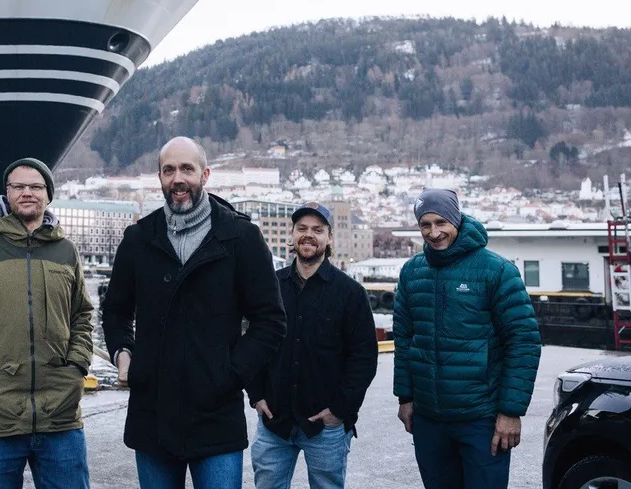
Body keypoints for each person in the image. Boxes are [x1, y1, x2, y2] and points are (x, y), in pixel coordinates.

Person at [102, 136, 286, 489]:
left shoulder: (241, 238)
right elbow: (115, 310)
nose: (178, 178)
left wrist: (231, 374)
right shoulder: (138, 239)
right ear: (159, 177)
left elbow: (270, 320)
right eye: (168, 170)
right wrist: (122, 353)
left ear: (205, 174)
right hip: (152, 412)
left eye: (187, 168)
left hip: (215, 413)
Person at [0, 157, 93, 489]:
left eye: (36, 186)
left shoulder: (66, 251)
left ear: (48, 194)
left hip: (60, 415)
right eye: (18, 186)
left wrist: (77, 365)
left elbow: (82, 314)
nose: (27, 193)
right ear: (7, 193)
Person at [393, 188, 541, 489]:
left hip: (481, 419)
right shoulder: (411, 273)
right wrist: (405, 398)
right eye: (425, 224)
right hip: (430, 420)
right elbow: (405, 339)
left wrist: (510, 412)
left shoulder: (497, 270)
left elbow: (523, 341)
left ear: (456, 220)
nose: (434, 233)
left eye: (441, 222)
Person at [247, 202, 378, 489]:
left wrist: (340, 410)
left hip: (326, 426)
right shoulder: (270, 286)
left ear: (330, 238)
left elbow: (364, 358)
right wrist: (256, 394)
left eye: (318, 230)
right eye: (302, 229)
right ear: (291, 235)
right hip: (274, 422)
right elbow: (252, 342)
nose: (309, 235)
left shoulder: (350, 293)